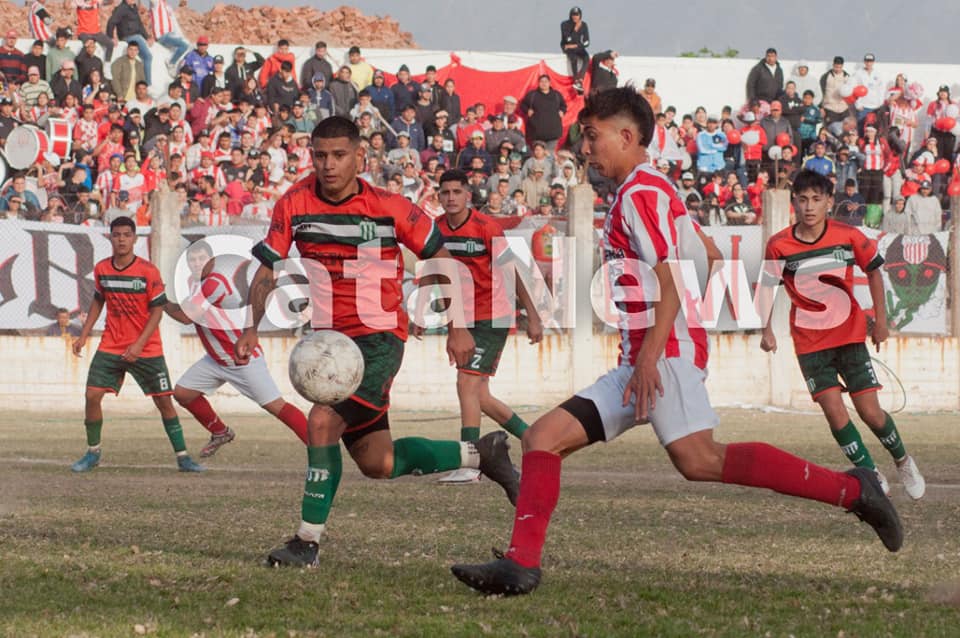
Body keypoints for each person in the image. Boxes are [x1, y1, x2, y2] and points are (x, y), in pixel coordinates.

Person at [449, 86, 902, 597]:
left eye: (592, 136)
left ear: (627, 136)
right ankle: (521, 563)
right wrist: (676, 326)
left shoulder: (641, 194)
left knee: (700, 459)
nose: (585, 147)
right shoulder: (655, 188)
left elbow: (669, 278)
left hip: (658, 357)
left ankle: (853, 490)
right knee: (543, 438)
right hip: (649, 355)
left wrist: (657, 351)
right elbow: (706, 256)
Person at [233, 116, 522, 567]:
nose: (328, 165)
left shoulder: (390, 207)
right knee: (378, 462)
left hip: (379, 339)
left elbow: (443, 258)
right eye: (320, 155)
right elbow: (267, 269)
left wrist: (459, 325)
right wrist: (252, 326)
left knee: (323, 420)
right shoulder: (293, 203)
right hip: (331, 343)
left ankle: (306, 542)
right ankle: (481, 453)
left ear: (359, 158)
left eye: (339, 155)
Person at [762, 169, 924, 500]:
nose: (809, 207)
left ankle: (903, 460)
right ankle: (870, 473)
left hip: (849, 337)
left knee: (870, 412)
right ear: (794, 202)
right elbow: (767, 287)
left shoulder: (847, 235)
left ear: (829, 202)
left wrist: (881, 320)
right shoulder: (779, 244)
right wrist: (766, 329)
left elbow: (875, 271)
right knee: (835, 413)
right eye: (803, 199)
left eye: (817, 200)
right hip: (809, 344)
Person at [416, 169, 543, 484]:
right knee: (480, 395)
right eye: (445, 193)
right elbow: (433, 272)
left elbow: (511, 270)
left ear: (468, 196)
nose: (451, 198)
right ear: (439, 196)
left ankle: (471, 462)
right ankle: (537, 441)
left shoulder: (487, 228)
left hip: (492, 315)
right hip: (462, 318)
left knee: (466, 385)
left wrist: (533, 313)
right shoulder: (437, 230)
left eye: (457, 192)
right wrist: (418, 310)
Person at [69, 216, 204, 473]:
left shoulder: (148, 271)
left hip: (147, 348)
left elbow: (157, 311)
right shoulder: (102, 269)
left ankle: (183, 457)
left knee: (164, 402)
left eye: (126, 235)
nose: (121, 239)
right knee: (91, 395)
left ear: (134, 238)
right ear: (110, 238)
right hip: (112, 345)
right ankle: (93, 452)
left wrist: (139, 346)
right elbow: (99, 301)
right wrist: (84, 334)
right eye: (116, 234)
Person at [163, 240, 308, 457]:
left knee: (277, 407)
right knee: (183, 393)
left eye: (201, 258)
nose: (196, 263)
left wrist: (159, 300)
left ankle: (319, 447)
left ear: (212, 260)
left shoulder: (214, 282)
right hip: (215, 360)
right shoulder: (193, 283)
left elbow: (185, 316)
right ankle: (220, 432)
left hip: (241, 359)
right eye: (192, 259)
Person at [106, 0, 153, 85]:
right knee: (148, 57)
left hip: (136, 35)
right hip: (128, 36)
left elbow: (139, 25)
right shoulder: (122, 8)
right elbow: (111, 21)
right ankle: (148, 84)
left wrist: (147, 37)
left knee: (144, 57)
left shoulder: (133, 8)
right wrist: (110, 37)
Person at [520, 75, 567, 152]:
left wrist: (562, 111)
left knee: (549, 155)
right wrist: (527, 110)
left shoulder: (556, 95)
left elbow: (563, 105)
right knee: (538, 155)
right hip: (536, 133)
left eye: (546, 81)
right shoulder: (532, 95)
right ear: (538, 83)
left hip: (553, 133)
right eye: (541, 81)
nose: (544, 83)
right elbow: (522, 105)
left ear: (549, 83)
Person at [149, 0, 190, 76]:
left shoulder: (166, 7)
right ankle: (171, 63)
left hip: (169, 35)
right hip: (162, 36)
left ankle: (182, 70)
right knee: (184, 46)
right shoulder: (156, 3)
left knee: (187, 46)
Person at [559, 6, 589, 92]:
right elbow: (568, 39)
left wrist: (575, 45)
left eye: (577, 15)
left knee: (586, 57)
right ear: (570, 15)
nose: (575, 17)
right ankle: (576, 80)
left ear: (580, 16)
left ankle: (580, 80)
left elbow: (587, 42)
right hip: (567, 47)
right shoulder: (564, 24)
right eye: (573, 15)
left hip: (578, 47)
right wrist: (575, 29)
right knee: (574, 58)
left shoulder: (584, 25)